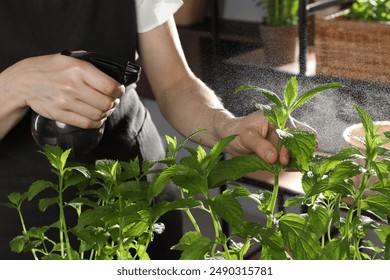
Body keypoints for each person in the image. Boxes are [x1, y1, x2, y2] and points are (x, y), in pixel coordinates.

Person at [0, 0, 289, 259]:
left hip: (133, 183)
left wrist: (224, 125)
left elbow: (174, 83)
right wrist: (15, 86)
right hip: (19, 214)